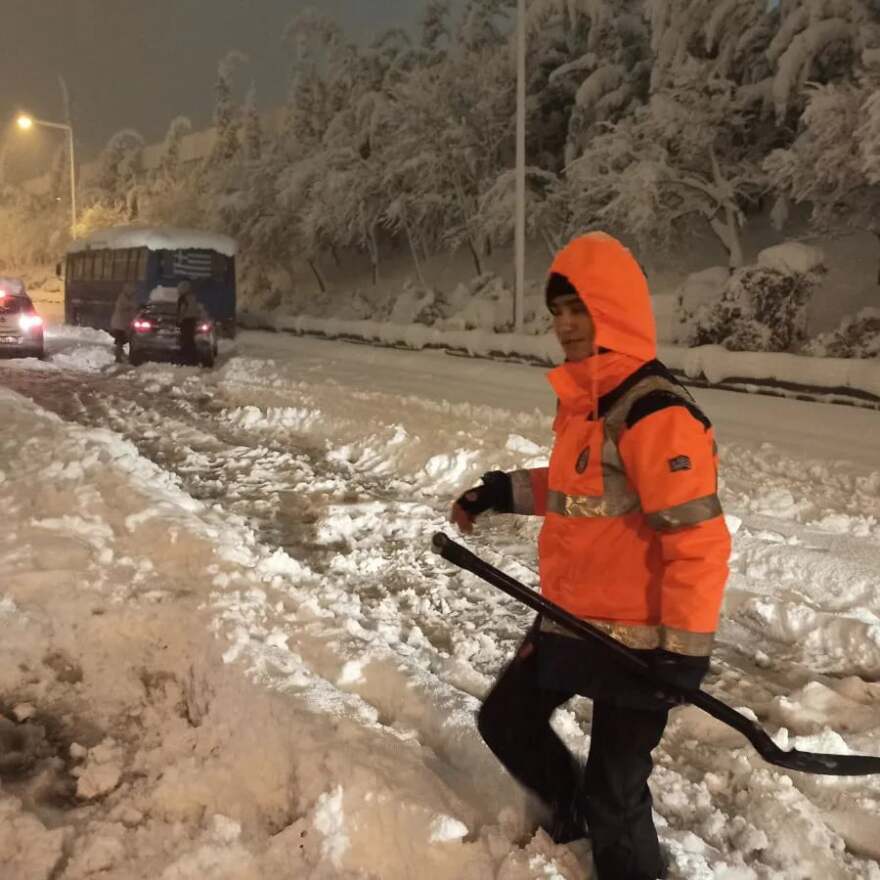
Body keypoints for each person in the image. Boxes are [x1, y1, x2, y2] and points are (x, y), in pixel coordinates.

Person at [450, 232, 731, 880]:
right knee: (507, 720)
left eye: (580, 308)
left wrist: (682, 654)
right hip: (575, 615)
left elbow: (698, 540)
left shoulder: (655, 411)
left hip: (640, 640)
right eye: (558, 312)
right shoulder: (588, 401)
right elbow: (577, 485)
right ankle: (569, 814)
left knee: (617, 794)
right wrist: (501, 491)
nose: (567, 325)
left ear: (618, 309)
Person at [110, 283, 138, 363]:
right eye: (132, 292)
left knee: (122, 342)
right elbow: (126, 307)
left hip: (123, 325)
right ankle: (118, 357)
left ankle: (120, 356)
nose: (133, 293)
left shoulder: (128, 299)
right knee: (120, 341)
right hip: (119, 326)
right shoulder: (122, 298)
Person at [176, 280, 201, 365]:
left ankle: (185, 360)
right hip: (192, 321)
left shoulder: (183, 298)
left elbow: (182, 311)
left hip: (186, 322)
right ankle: (193, 360)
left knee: (185, 341)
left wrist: (179, 320)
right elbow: (196, 310)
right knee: (190, 341)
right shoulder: (193, 297)